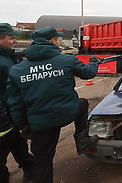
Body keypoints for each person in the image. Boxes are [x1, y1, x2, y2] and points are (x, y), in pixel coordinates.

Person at [7, 26, 102, 183]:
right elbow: (88, 73)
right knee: (82, 104)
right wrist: (94, 62)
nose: (59, 41)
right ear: (52, 40)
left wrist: (24, 125)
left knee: (42, 162)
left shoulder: (17, 70)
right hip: (66, 113)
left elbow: (15, 104)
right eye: (58, 38)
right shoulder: (66, 60)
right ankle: (82, 139)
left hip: (40, 123)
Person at [0, 23, 34, 183]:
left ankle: (29, 171)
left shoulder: (10, 57)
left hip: (14, 113)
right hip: (4, 116)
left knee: (19, 145)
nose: (14, 41)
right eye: (11, 38)